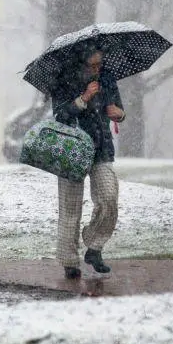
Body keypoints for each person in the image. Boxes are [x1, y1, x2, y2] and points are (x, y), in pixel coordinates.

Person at [50, 47, 125, 279]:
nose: (96, 69)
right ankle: (69, 261)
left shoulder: (107, 78)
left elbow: (118, 109)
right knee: (70, 208)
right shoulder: (63, 79)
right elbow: (60, 115)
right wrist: (83, 99)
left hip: (101, 146)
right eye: (92, 66)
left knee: (109, 197)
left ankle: (94, 246)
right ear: (81, 63)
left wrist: (118, 113)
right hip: (71, 149)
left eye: (99, 65)